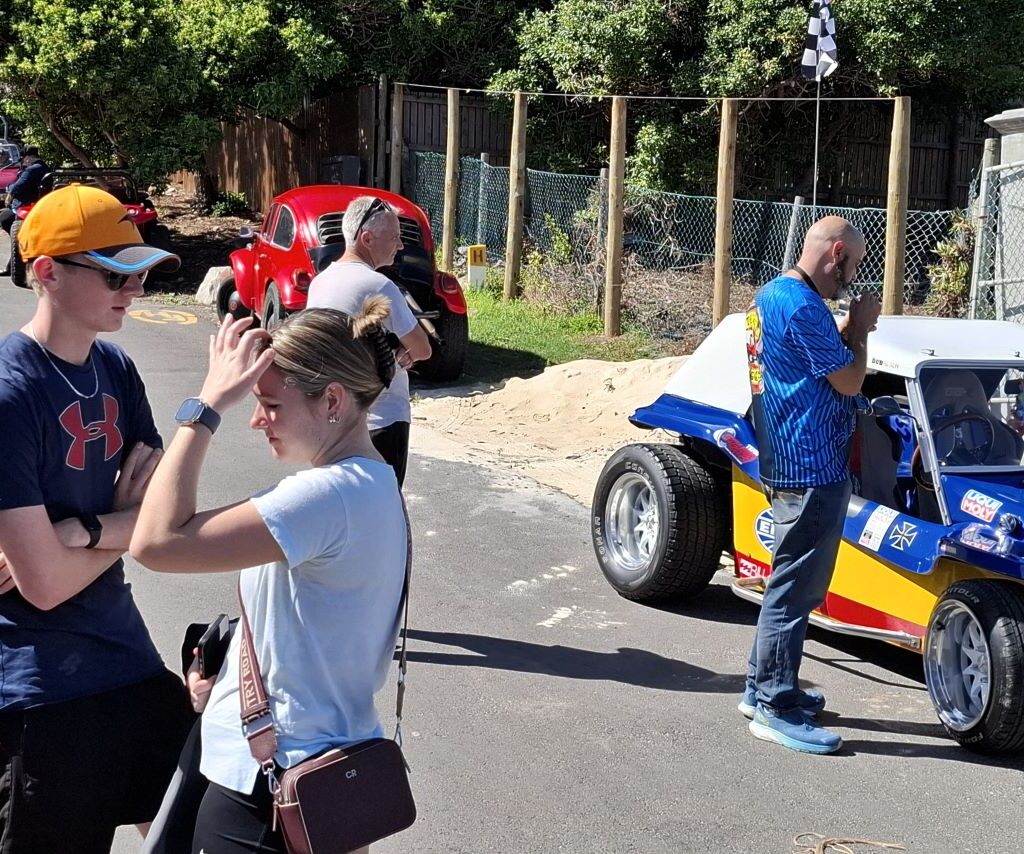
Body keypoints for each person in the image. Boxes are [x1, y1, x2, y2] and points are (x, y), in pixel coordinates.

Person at [130, 305, 409, 854]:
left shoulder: (321, 498)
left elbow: (154, 542)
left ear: (332, 400)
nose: (257, 421)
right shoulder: (375, 485)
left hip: (268, 789)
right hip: (329, 781)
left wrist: (205, 407)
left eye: (271, 405)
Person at [0, 184, 193, 852]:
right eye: (115, 273)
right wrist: (123, 520)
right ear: (47, 272)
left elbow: (166, 513)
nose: (134, 289)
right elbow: (45, 586)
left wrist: (85, 530)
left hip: (126, 658)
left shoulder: (116, 367)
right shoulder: (9, 392)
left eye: (139, 273)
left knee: (202, 833)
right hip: (41, 692)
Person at [740, 215, 879, 755]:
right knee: (794, 590)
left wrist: (844, 333)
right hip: (811, 465)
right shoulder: (803, 306)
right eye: (853, 268)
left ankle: (763, 687)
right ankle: (774, 706)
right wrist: (861, 329)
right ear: (837, 253)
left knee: (788, 582)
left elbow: (811, 362)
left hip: (784, 457)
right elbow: (846, 378)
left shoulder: (772, 296)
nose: (851, 282)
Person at [305, 195, 431, 486]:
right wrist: (403, 349)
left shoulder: (320, 283)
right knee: (384, 510)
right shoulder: (380, 285)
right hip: (382, 419)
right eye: (395, 237)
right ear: (367, 238)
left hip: (334, 420)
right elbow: (422, 349)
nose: (400, 246)